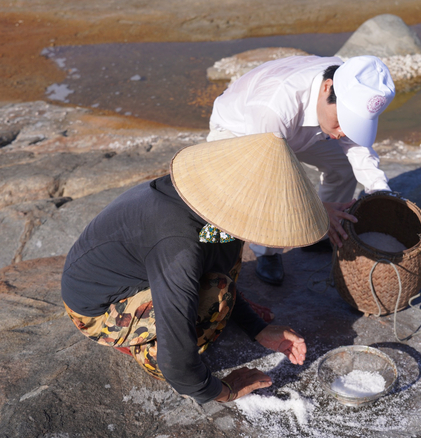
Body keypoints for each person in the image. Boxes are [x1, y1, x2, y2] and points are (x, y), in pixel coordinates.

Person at [61, 134, 329, 404]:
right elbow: (177, 365)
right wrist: (224, 391)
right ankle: (143, 350)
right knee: (217, 296)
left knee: (230, 252)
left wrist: (256, 328)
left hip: (142, 269)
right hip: (98, 309)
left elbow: (211, 264)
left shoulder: (205, 206)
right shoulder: (179, 245)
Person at [208, 54, 396, 286]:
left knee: (343, 165)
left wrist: (380, 189)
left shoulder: (347, 79)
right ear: (328, 87)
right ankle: (267, 252)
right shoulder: (273, 107)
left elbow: (357, 146)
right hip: (242, 133)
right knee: (259, 198)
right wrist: (317, 209)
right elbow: (269, 179)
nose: (343, 133)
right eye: (342, 121)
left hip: (301, 129)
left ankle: (321, 231)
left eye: (353, 123)